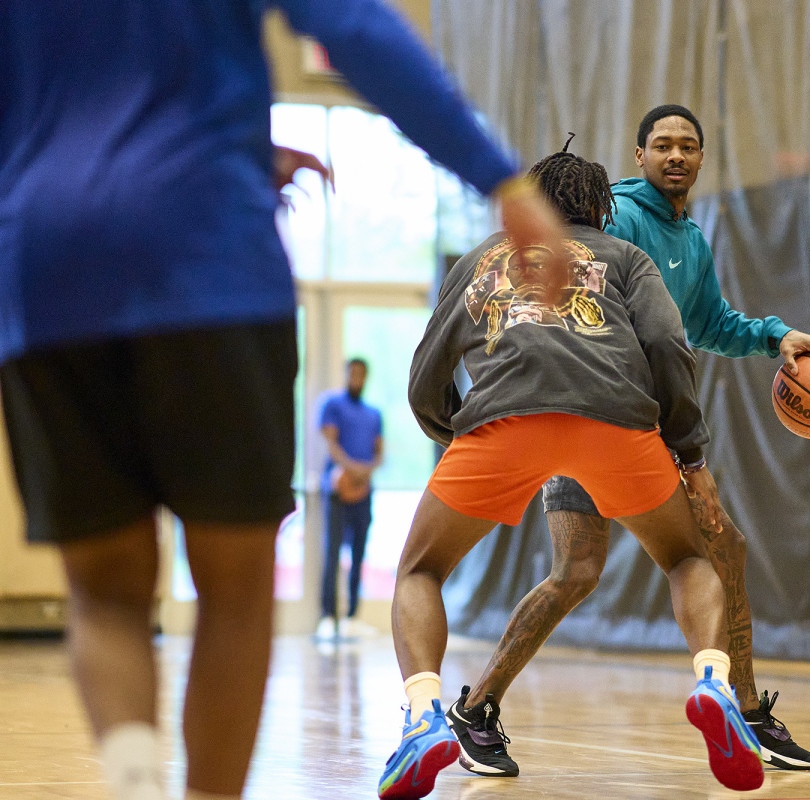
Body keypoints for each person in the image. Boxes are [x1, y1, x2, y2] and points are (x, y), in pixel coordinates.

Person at [0, 2, 567, 799]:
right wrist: (500, 179)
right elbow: (359, 31)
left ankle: (132, 782)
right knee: (233, 586)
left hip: (46, 271)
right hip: (207, 253)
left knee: (102, 589)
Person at [447, 107, 810, 776]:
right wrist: (683, 450)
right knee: (717, 550)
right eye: (662, 145)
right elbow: (615, 322)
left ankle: (476, 707)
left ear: (700, 158)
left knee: (579, 572)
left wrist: (778, 337)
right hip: (614, 420)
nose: (676, 155)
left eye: (687, 146)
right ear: (638, 156)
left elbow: (708, 323)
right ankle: (742, 710)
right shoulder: (620, 223)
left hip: (610, 423)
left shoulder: (688, 236)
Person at [380, 149, 764, 799]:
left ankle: (423, 718)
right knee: (687, 560)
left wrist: (461, 435)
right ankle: (711, 681)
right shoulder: (623, 257)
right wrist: (687, 449)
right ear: (600, 207)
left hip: (503, 418)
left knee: (421, 570)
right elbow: (670, 344)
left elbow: (425, 376)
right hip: (615, 419)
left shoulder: (481, 259)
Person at [315, 357, 384, 642]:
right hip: (337, 489)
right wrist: (351, 469)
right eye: (351, 372)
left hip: (364, 491)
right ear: (346, 374)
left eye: (361, 373)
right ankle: (328, 617)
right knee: (332, 553)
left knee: (359, 554)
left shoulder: (374, 413)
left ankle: (352, 616)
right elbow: (330, 443)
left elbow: (378, 451)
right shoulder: (332, 405)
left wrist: (365, 473)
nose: (356, 377)